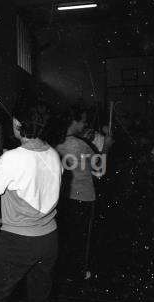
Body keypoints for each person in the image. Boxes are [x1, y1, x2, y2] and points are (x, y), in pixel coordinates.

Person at [0, 105, 63, 302]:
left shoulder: (13, 158)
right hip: (49, 239)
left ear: (18, 124)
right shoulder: (54, 154)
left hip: (18, 242)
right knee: (40, 298)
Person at [55, 105, 113, 280]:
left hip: (63, 196)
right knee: (80, 238)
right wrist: (107, 147)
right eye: (83, 121)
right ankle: (77, 272)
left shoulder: (55, 141)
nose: (85, 124)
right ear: (75, 121)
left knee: (64, 234)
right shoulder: (81, 145)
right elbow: (100, 170)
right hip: (83, 197)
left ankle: (62, 269)